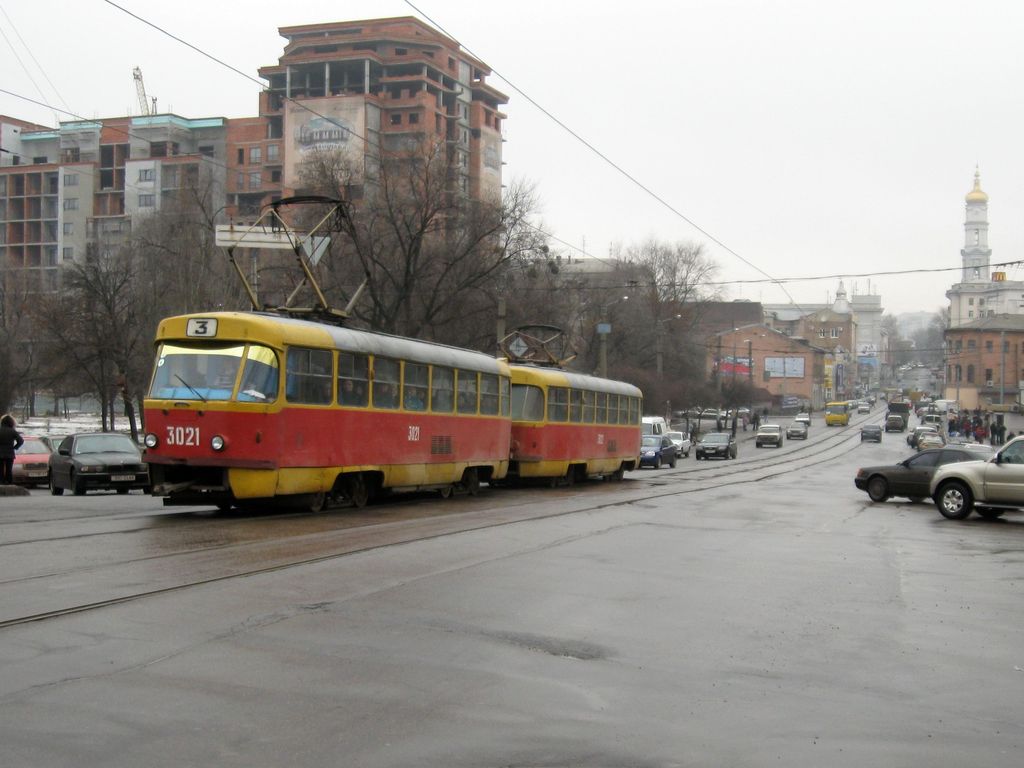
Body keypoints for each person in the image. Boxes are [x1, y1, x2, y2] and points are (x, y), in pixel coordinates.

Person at [0, 414, 24, 485]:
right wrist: (15, 447)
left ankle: (1, 482)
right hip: (10, 453)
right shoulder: (12, 431)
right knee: (9, 469)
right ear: (11, 422)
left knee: (0, 469)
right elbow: (21, 441)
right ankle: (9, 482)